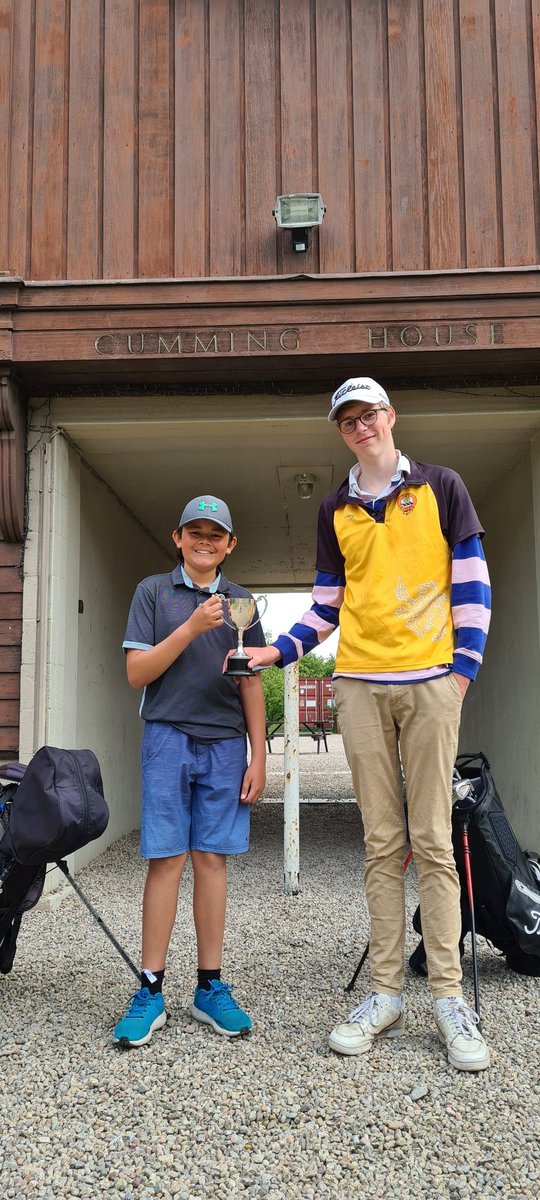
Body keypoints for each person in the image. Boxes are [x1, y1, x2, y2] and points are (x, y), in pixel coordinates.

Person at [246, 378, 492, 1072]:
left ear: (390, 416)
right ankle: (386, 993)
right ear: (341, 431)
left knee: (434, 841)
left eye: (368, 413)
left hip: (432, 682)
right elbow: (327, 605)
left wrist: (461, 670)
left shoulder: (443, 486)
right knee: (383, 844)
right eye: (347, 420)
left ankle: (448, 998)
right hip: (358, 686)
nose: (360, 426)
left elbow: (472, 583)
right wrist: (276, 651)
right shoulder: (334, 509)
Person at [113, 495, 266, 1047]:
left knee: (212, 860)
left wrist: (260, 753)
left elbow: (250, 680)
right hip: (167, 736)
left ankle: (210, 987)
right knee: (166, 859)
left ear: (230, 544)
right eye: (194, 532)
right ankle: (149, 988)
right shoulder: (152, 592)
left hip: (226, 744)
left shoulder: (243, 601)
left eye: (215, 534)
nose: (205, 541)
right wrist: (194, 628)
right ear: (177, 537)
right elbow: (137, 673)